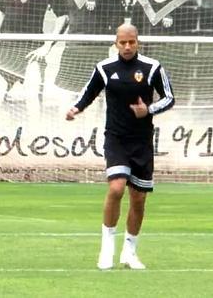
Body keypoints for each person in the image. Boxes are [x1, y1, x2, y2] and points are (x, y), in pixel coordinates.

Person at [65, 23, 174, 270]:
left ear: (138, 42)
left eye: (131, 42)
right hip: (116, 139)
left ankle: (129, 252)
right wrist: (76, 108)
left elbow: (169, 97)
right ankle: (107, 248)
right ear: (116, 43)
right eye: (122, 42)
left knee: (138, 199)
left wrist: (148, 110)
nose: (127, 46)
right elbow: (89, 92)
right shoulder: (104, 69)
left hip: (142, 142)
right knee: (116, 188)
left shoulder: (152, 67)